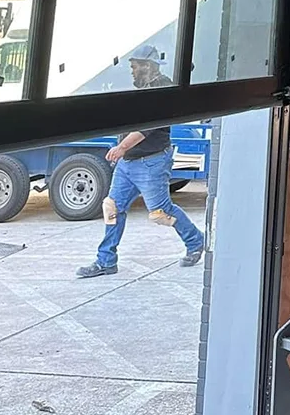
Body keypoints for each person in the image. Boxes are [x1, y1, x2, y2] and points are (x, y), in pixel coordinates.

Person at [76, 44, 204, 278]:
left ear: (147, 66)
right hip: (129, 162)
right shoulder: (142, 88)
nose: (132, 72)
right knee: (112, 207)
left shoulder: (162, 88)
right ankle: (106, 261)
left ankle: (195, 241)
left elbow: (149, 127)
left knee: (161, 212)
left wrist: (121, 147)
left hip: (151, 162)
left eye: (134, 67)